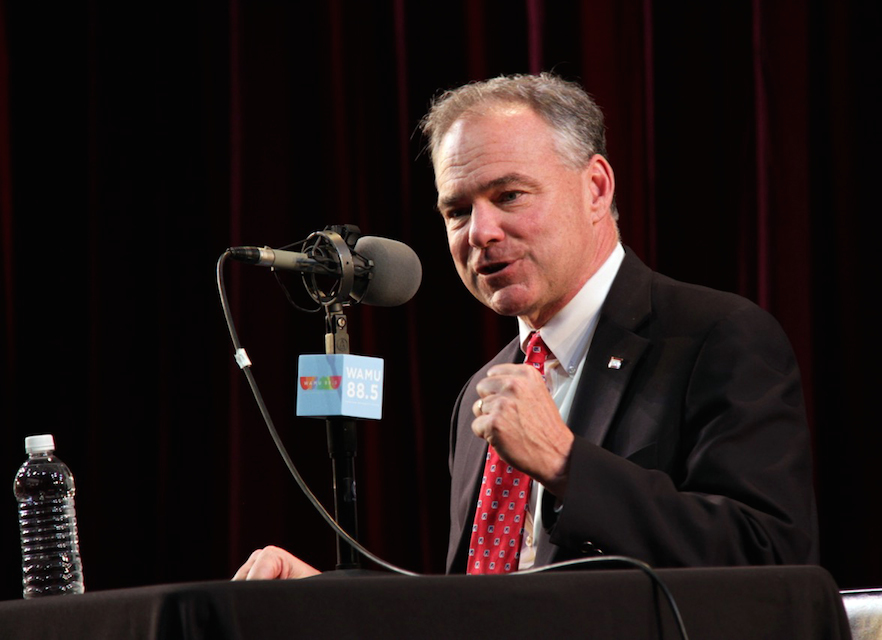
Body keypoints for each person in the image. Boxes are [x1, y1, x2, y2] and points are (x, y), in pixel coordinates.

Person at [233, 72, 818, 581]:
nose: (480, 232)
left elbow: (770, 559)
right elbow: (477, 613)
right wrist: (332, 607)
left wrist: (567, 463)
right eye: (457, 211)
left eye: (509, 195)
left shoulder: (715, 338)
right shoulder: (479, 395)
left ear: (595, 188)